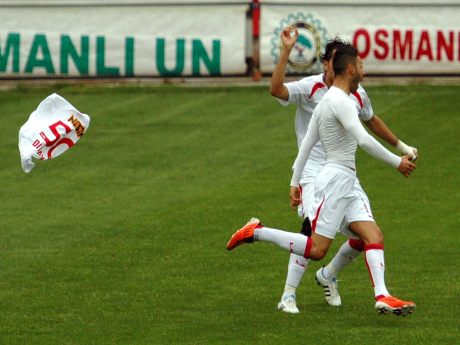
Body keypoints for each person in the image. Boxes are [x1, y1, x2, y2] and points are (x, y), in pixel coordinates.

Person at [227, 44, 417, 316]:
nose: (364, 69)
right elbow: (363, 139)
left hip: (346, 180)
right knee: (316, 249)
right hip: (333, 181)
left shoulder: (339, 99)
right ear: (350, 69)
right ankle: (257, 232)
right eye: (361, 65)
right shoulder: (339, 101)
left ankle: (382, 295)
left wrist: (294, 182)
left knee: (373, 235)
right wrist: (396, 162)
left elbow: (306, 145)